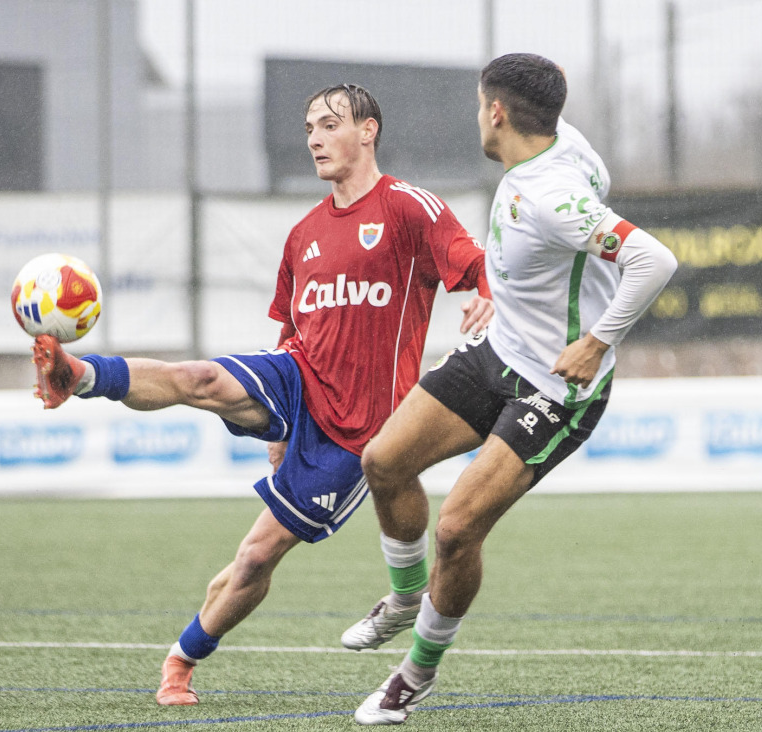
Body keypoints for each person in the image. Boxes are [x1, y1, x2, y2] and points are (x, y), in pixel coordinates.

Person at [31, 83, 495, 705]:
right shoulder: (304, 233)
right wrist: (278, 430)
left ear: (368, 131)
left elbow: (476, 262)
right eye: (308, 127)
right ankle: (80, 376)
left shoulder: (410, 208)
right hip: (296, 377)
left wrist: (488, 291)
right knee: (201, 378)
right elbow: (291, 330)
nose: (314, 138)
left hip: (357, 430)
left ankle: (183, 657)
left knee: (254, 558)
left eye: (329, 124)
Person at [346, 53, 678, 725]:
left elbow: (655, 258)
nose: (478, 116)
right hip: (499, 349)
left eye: (479, 105)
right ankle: (406, 597)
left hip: (556, 386)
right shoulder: (565, 144)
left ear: (497, 113)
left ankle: (415, 674)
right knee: (382, 461)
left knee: (460, 527)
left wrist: (596, 339)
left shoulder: (552, 193)